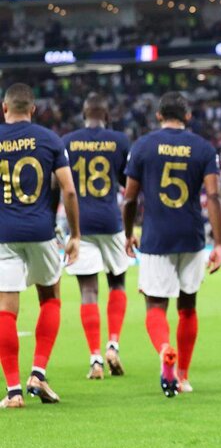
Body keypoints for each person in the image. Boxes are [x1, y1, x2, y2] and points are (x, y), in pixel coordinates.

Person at [122, 92, 221, 397]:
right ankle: (183, 375)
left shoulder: (143, 146)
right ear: (188, 116)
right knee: (188, 307)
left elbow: (129, 198)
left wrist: (128, 233)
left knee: (155, 305)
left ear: (158, 116)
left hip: (156, 236)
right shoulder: (203, 148)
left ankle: (165, 348)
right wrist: (218, 242)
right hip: (191, 235)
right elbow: (214, 197)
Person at [0, 83, 81, 409]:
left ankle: (14, 391)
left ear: (5, 109)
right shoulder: (50, 139)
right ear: (33, 110)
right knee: (50, 297)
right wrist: (75, 234)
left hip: (4, 234)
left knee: (6, 308)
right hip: (42, 231)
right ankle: (38, 372)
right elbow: (70, 192)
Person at [61, 93, 131, 380]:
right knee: (118, 281)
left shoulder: (68, 142)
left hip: (81, 223)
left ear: (83, 113)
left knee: (88, 291)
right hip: (111, 221)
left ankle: (95, 360)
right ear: (107, 114)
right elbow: (129, 185)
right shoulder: (120, 141)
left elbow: (61, 185)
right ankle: (113, 343)